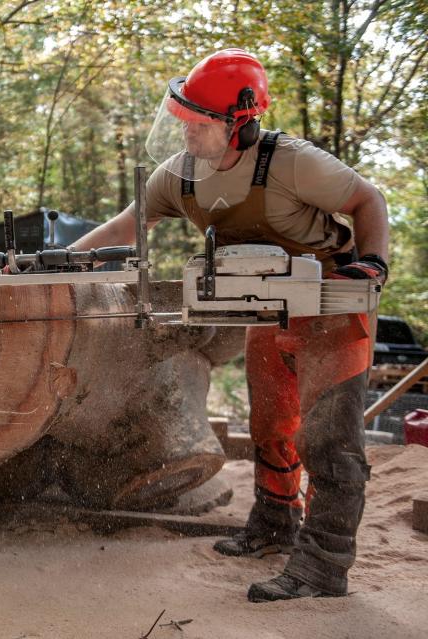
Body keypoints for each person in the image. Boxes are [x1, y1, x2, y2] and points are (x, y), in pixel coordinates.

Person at [71, 49, 388, 602]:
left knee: (330, 440)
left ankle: (323, 565)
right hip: (266, 307)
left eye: (197, 124)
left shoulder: (292, 162)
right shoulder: (180, 176)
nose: (186, 133)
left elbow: (369, 199)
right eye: (182, 120)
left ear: (238, 121)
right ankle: (273, 523)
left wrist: (374, 262)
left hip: (330, 303)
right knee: (271, 425)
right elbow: (129, 223)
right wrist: (66, 258)